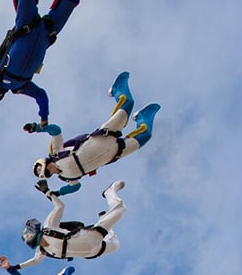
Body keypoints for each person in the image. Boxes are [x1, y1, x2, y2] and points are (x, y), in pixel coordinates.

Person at [31, 71, 160, 196]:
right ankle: (143, 117)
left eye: (45, 169)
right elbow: (75, 187)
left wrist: (37, 127)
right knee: (145, 136)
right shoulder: (66, 177)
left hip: (103, 138)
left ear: (45, 163)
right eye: (47, 174)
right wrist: (55, 193)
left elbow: (56, 131)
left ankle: (117, 89)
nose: (49, 171)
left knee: (127, 103)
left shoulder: (56, 153)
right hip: (114, 153)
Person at [15, 180, 127, 263]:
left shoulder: (48, 228)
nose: (29, 236)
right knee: (116, 245)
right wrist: (13, 268)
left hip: (88, 237)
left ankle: (109, 192)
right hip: (94, 251)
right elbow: (35, 261)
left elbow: (59, 206)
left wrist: (48, 192)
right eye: (28, 236)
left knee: (121, 209)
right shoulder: (43, 250)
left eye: (28, 234)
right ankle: (104, 221)